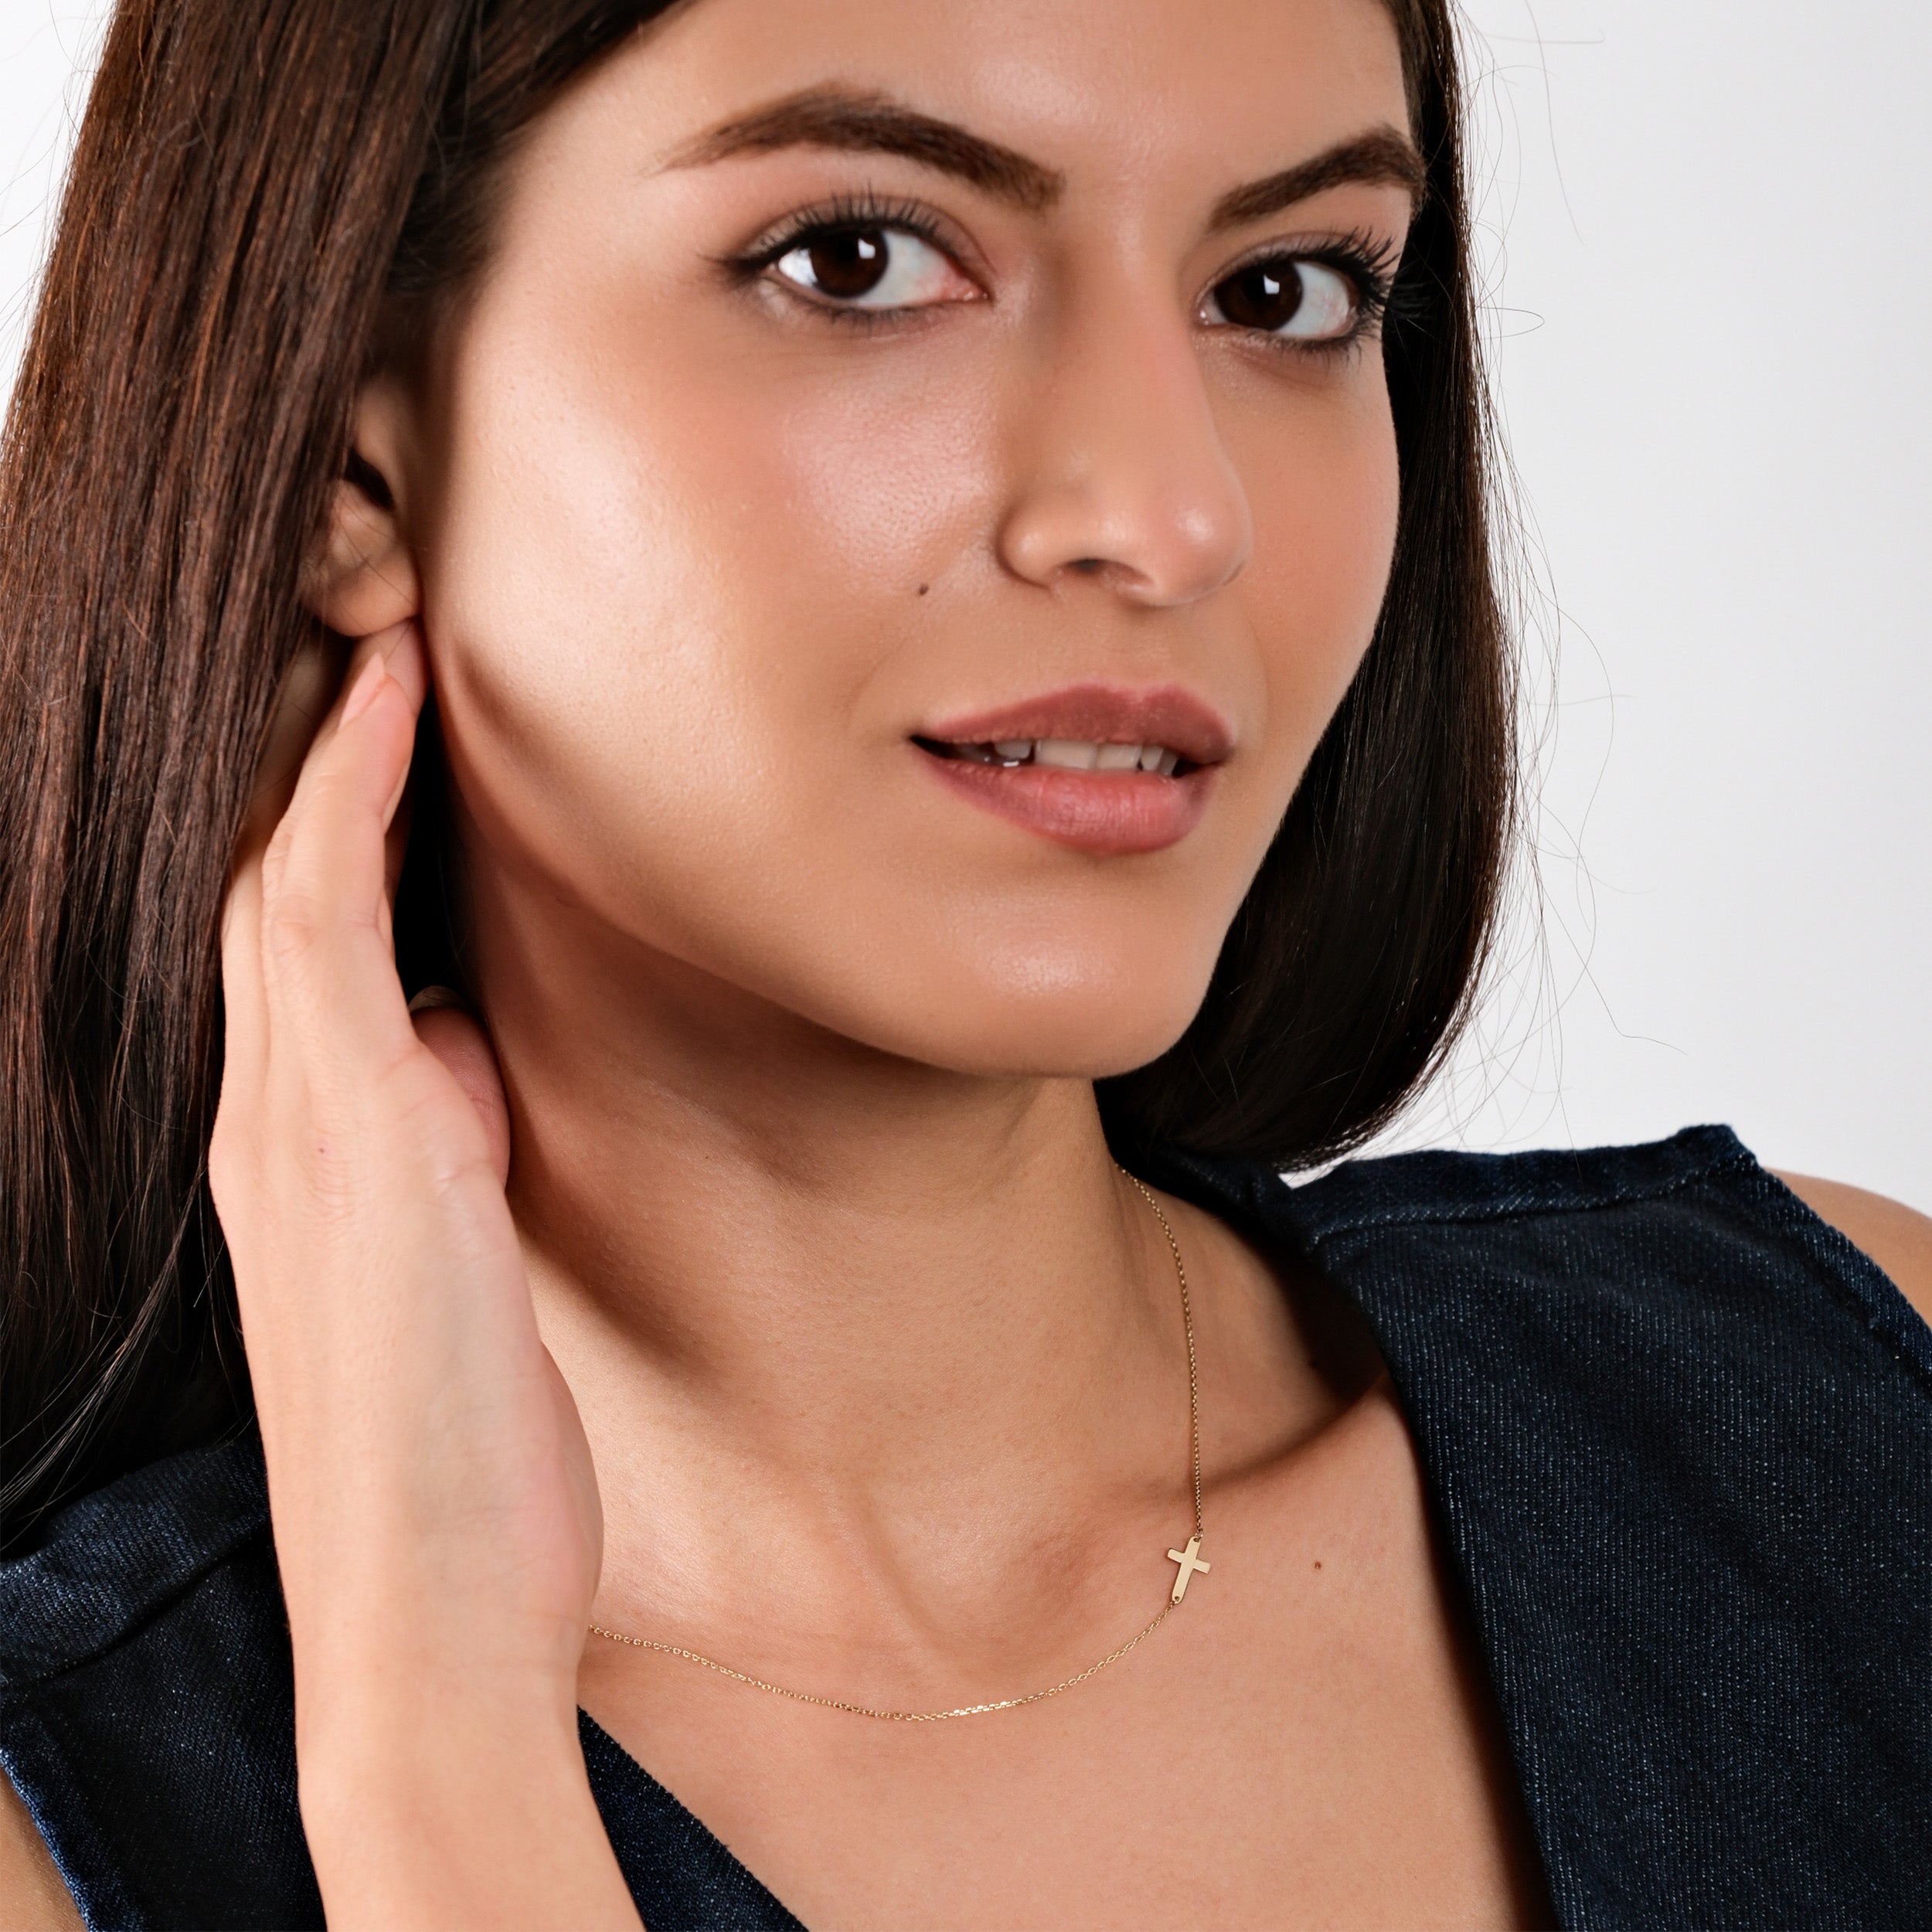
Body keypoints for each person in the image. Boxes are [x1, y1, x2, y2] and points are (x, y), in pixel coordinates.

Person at [2, 0, 1927, 1926]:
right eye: (861, 257)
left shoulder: (1854, 1410)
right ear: (352, 439)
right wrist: (434, 1743)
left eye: (1281, 291)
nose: (1174, 520)